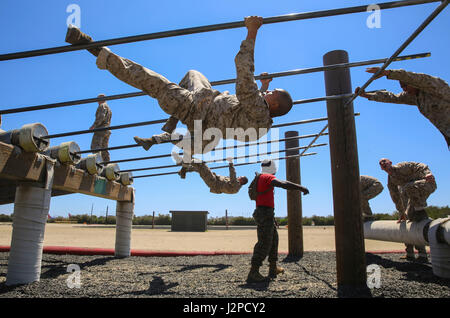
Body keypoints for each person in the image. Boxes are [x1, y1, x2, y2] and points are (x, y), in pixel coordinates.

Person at [65, 16, 294, 159]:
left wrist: (252, 31)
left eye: (271, 93)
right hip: (204, 102)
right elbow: (252, 103)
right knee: (193, 73)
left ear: (273, 103)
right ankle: (170, 126)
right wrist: (264, 86)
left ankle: (93, 48)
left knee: (145, 77)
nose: (267, 92)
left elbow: (243, 71)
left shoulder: (258, 110)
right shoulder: (262, 120)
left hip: (193, 107)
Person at [247, 159, 309, 283]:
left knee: (274, 240)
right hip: (264, 213)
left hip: (266, 213)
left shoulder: (261, 177)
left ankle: (273, 268)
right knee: (264, 242)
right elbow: (282, 183)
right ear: (272, 168)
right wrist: (300, 187)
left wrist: (272, 217)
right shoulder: (266, 176)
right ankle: (253, 272)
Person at [356, 68, 450, 148]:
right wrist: (366, 95)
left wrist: (387, 73)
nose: (404, 89)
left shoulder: (435, 87)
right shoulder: (414, 97)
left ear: (412, 82)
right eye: (402, 87)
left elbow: (418, 79)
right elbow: (393, 97)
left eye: (405, 86)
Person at [379, 158, 436, 262]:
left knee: (415, 215)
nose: (382, 163)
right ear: (381, 168)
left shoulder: (402, 166)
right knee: (407, 218)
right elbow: (395, 196)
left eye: (384, 161)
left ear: (390, 162)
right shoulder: (391, 180)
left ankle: (420, 212)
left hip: (426, 183)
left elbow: (420, 165)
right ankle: (410, 253)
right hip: (410, 192)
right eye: (380, 163)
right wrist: (401, 212)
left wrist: (427, 174)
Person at [180, 158, 248, 194]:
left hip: (213, 183)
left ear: (242, 180)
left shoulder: (236, 185)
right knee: (201, 170)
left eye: (240, 177)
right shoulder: (235, 186)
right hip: (214, 180)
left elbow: (232, 174)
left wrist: (230, 163)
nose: (238, 177)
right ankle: (183, 171)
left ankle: (187, 161)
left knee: (202, 165)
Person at [90, 94, 112, 162]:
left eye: (98, 99)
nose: (97, 101)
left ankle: (97, 163)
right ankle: (107, 165)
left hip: (100, 129)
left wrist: (94, 126)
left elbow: (101, 117)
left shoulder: (102, 106)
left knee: (95, 147)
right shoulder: (109, 108)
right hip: (107, 129)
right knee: (104, 149)